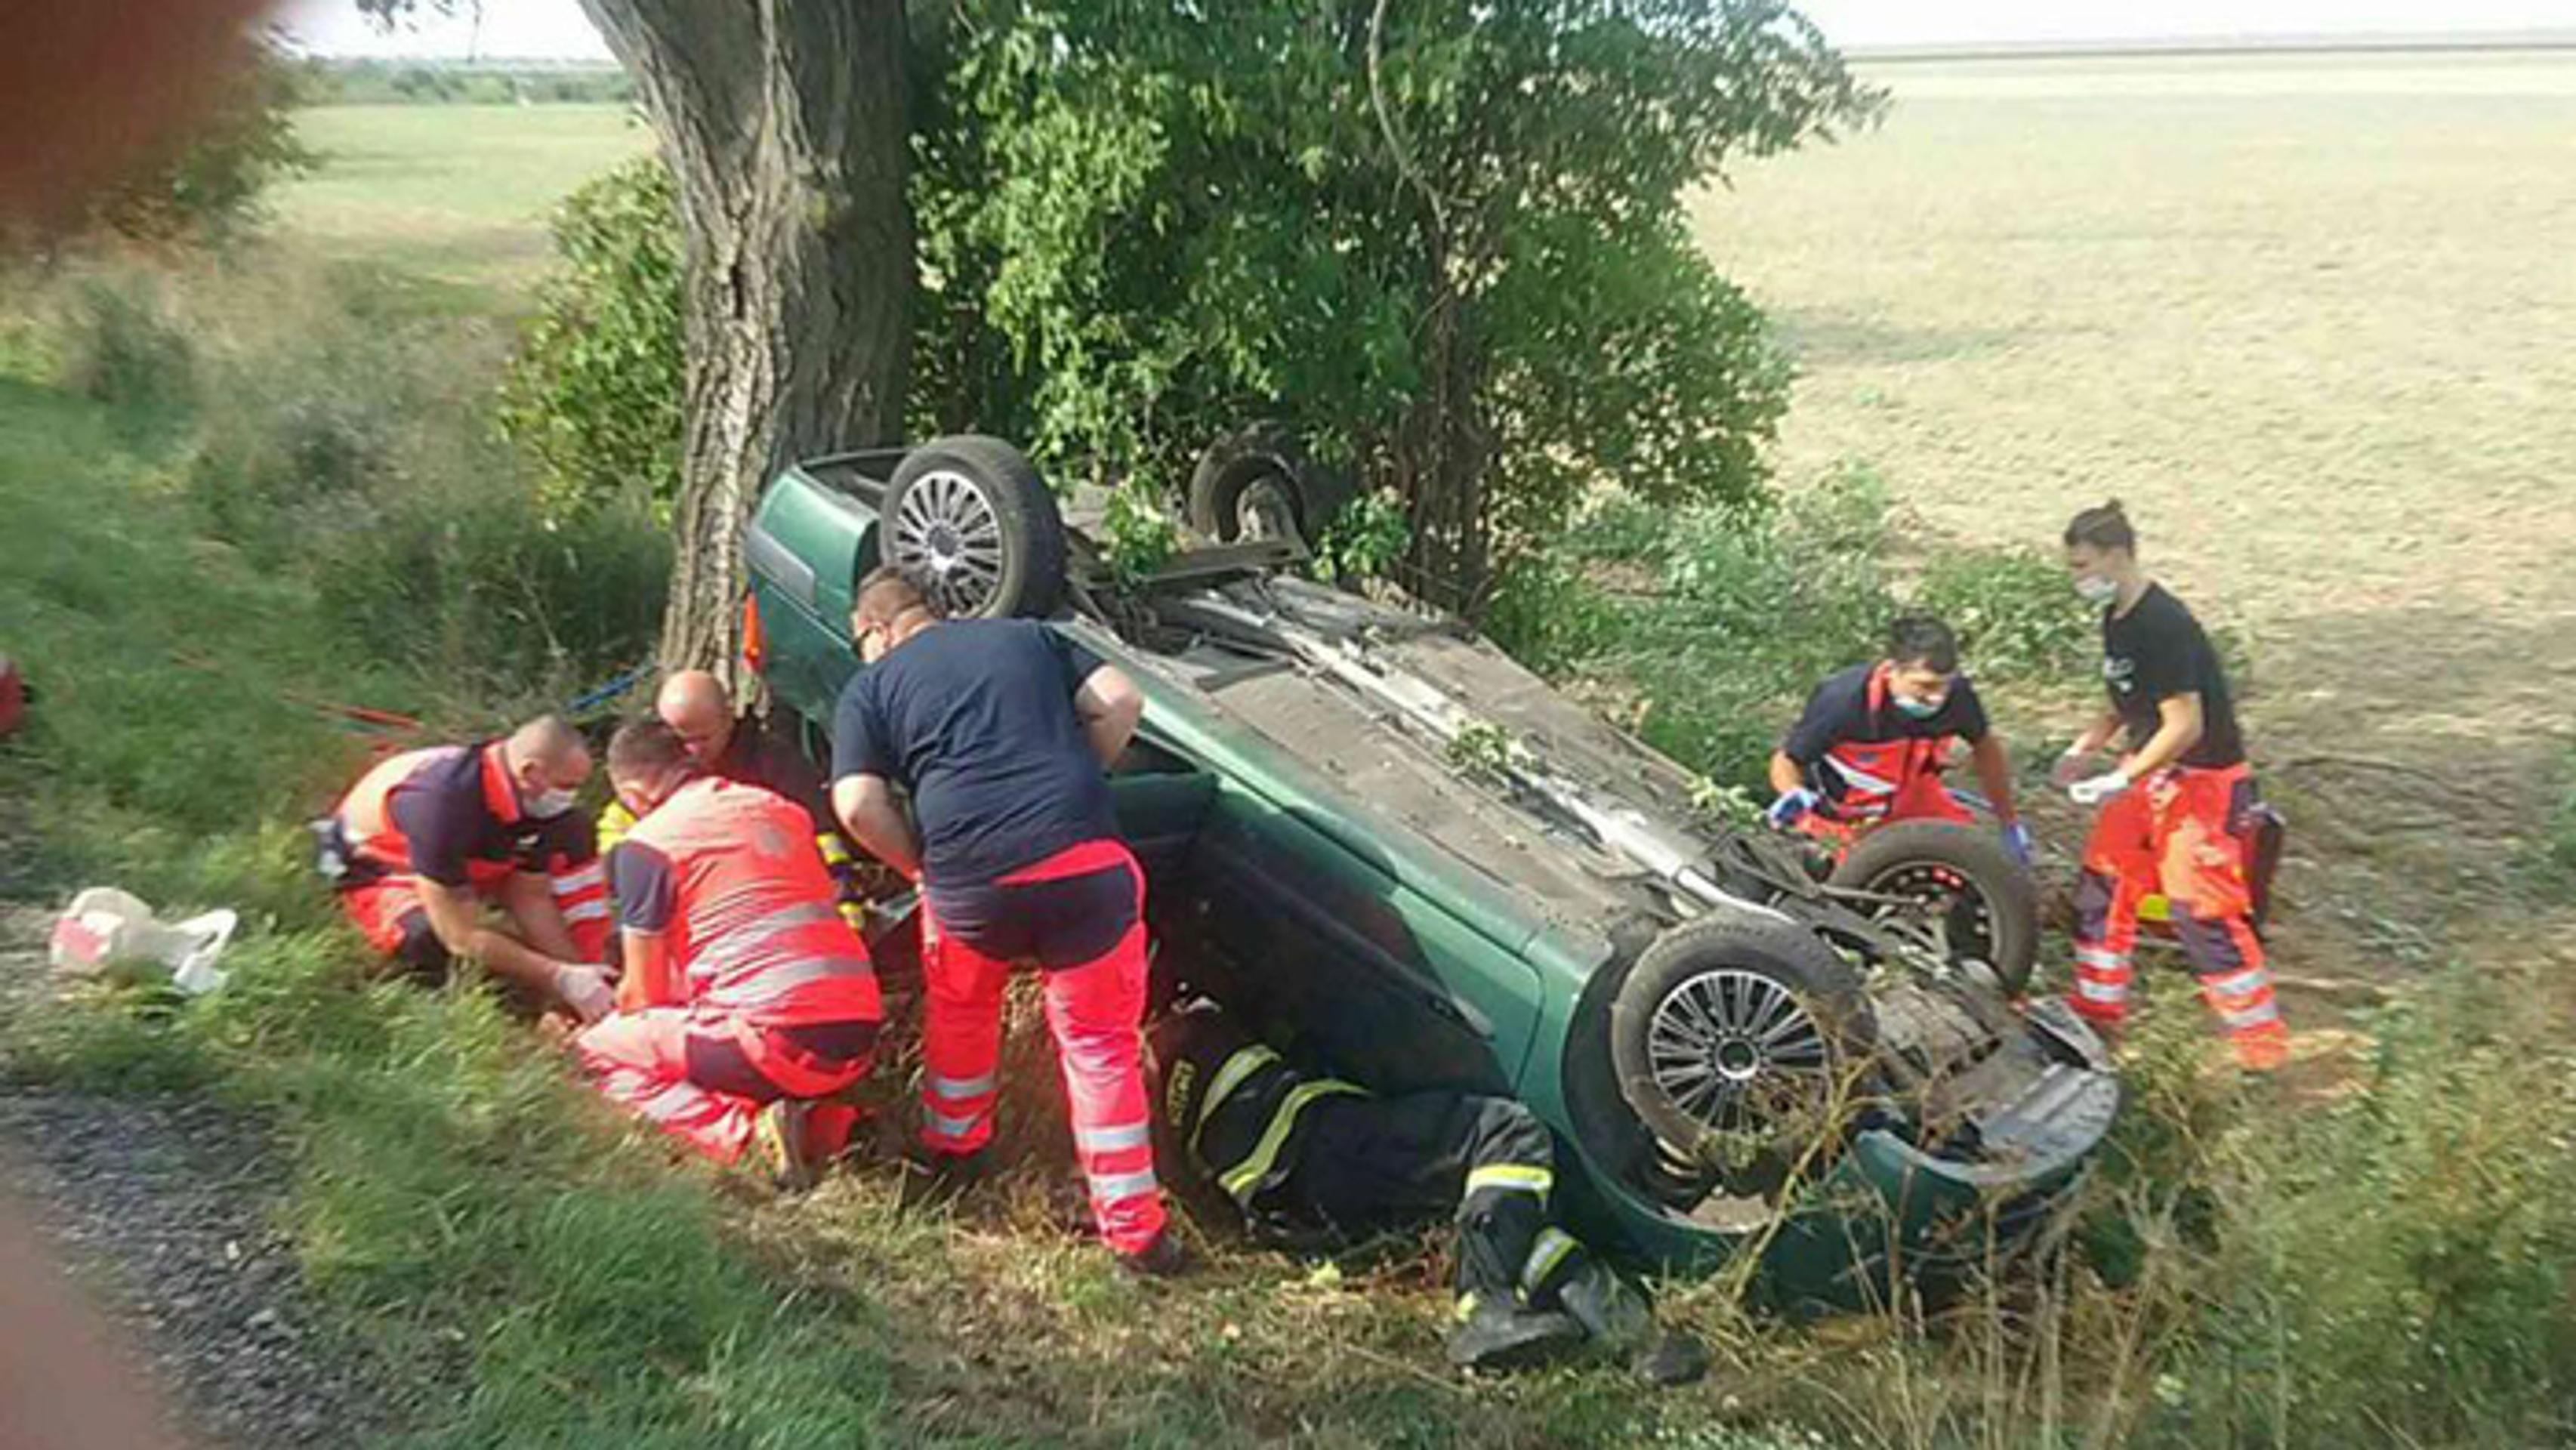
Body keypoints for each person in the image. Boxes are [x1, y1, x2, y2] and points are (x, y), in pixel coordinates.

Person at [828, 567, 1181, 1274]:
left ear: (876, 629)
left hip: (970, 887)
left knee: (963, 1009)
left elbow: (858, 806)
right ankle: (1136, 1237)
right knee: (1098, 1046)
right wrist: (1076, 783)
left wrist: (919, 870)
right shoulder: (1027, 637)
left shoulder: (871, 687)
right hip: (1086, 870)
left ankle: (956, 1156)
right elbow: (1120, 700)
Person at [1147, 997, 1708, 1382]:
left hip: (1290, 1209)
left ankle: (1636, 1341)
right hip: (1317, 1142)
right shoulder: (1193, 1026)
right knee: (1504, 1132)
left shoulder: (1146, 1074)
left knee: (1497, 1217)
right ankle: (1482, 1309)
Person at [576, 720, 884, 1187]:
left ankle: (739, 1133)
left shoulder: (648, 844)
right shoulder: (781, 810)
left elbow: (644, 994)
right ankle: (829, 1127)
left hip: (773, 1043)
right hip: (859, 1037)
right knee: (705, 1026)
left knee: (598, 1050)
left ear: (635, 794)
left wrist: (601, 1011)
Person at [2057, 501, 2289, 1072]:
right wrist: (2082, 749)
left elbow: (2185, 726)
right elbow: (2124, 700)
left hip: (2200, 783)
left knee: (2200, 913)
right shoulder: (2116, 618)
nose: (2076, 579)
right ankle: (2096, 1016)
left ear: (2117, 556)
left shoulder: (2165, 625)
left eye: (2082, 565)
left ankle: (2262, 1051)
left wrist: (2118, 778)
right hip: (2150, 772)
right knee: (2102, 890)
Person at [319, 716, 613, 1020]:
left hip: (472, 852)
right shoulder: (442, 805)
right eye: (566, 786)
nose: (570, 797)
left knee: (574, 833)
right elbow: (459, 935)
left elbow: (530, 897)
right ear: (531, 772)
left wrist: (579, 974)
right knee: (426, 939)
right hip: (380, 866)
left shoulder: (532, 795)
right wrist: (556, 976)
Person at [595, 670, 876, 934]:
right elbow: (617, 840)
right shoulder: (649, 777)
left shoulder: (773, 762)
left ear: (728, 718)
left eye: (704, 738)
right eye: (682, 739)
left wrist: (848, 915)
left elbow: (823, 839)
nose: (693, 751)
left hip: (777, 906)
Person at [1766, 615, 2031, 865]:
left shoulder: (1957, 697)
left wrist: (2007, 820)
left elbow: (1986, 749)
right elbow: (1787, 759)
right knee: (1853, 879)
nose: (1937, 698)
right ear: (1891, 670)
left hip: (1916, 799)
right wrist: (1792, 794)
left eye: (1944, 685)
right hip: (1848, 816)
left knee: (1978, 859)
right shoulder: (1843, 701)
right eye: (1925, 686)